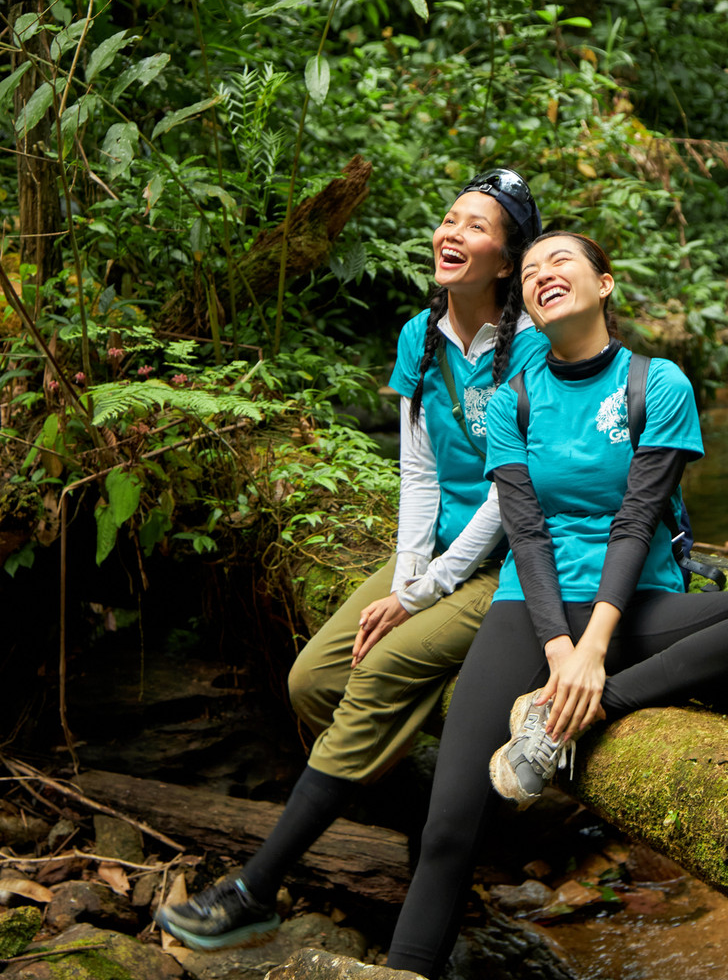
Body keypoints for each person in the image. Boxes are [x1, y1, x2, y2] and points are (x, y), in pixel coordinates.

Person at [385, 231, 728, 980]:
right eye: (529, 271)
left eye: (561, 262)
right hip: (531, 607)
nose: (542, 275)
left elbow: (637, 518)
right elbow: (525, 531)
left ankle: (574, 717)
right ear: (524, 302)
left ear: (605, 284)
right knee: (449, 828)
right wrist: (561, 648)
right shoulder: (514, 398)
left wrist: (593, 666)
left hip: (638, 601)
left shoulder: (657, 383)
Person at [156, 169, 545, 951]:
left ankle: (255, 888)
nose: (452, 233)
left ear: (507, 262)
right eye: (449, 218)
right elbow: (420, 473)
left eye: (476, 226)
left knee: (376, 673)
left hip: (512, 567)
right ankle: (430, 809)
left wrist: (422, 596)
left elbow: (512, 495)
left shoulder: (532, 347)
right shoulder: (419, 336)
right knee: (312, 681)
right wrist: (406, 576)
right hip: (440, 553)